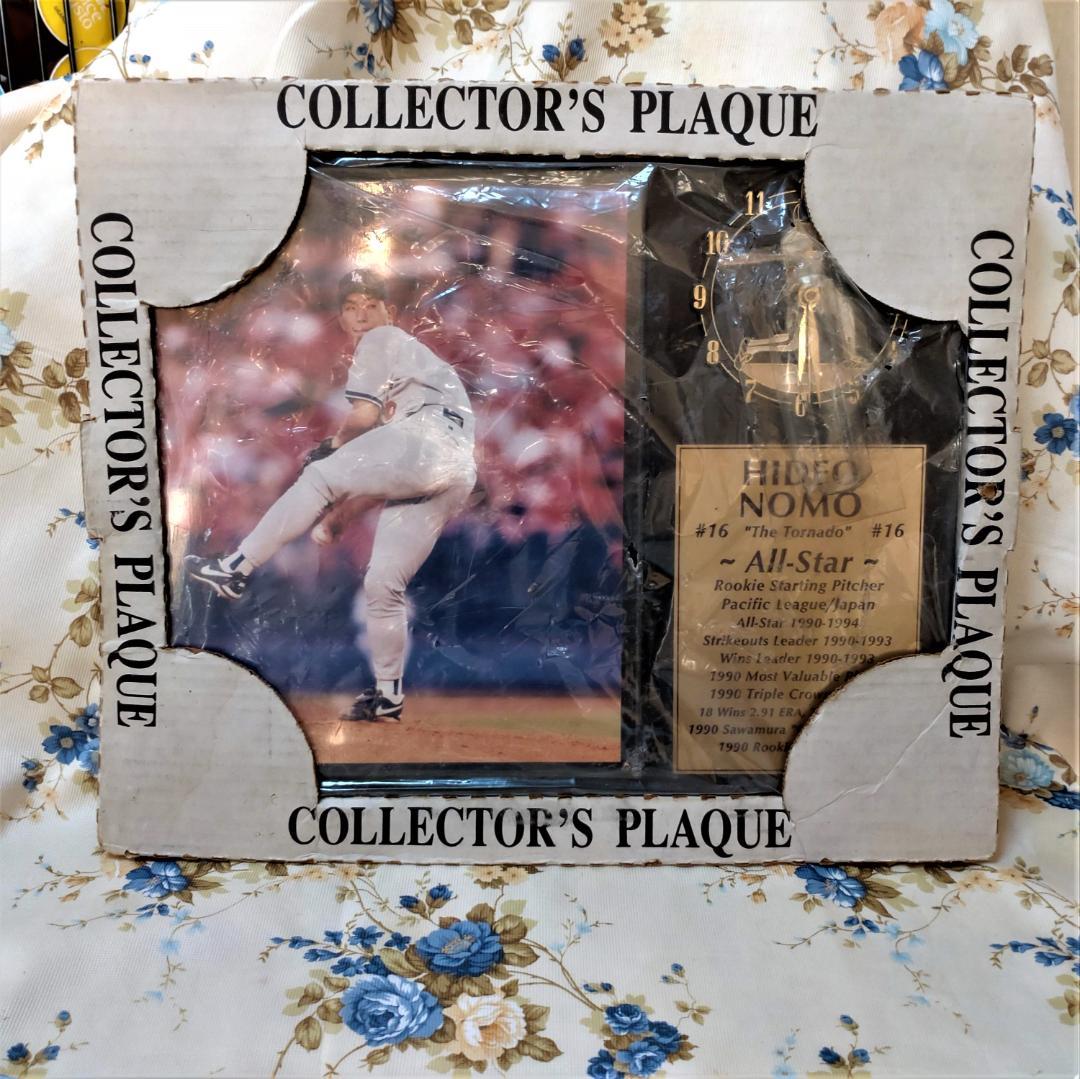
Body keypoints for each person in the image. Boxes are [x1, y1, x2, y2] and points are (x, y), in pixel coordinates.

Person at [186, 270, 477, 723]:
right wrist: (343, 515)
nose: (362, 314)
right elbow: (397, 471)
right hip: (456, 467)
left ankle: (235, 567)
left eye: (371, 304)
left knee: (320, 475)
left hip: (427, 438)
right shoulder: (415, 359)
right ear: (340, 316)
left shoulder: (381, 338)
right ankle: (388, 695)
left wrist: (333, 446)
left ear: (388, 311)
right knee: (383, 586)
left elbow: (363, 416)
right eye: (351, 306)